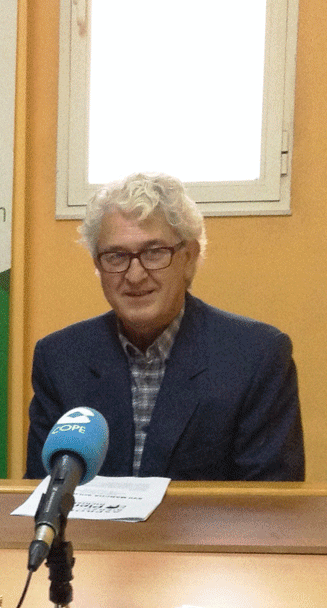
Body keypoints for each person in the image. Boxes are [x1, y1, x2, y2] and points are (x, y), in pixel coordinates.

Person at [26, 172, 304, 481]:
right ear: (97, 265)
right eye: (116, 256)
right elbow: (43, 491)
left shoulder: (256, 357)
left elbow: (271, 504)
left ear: (189, 258)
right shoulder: (60, 359)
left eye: (154, 252)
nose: (134, 275)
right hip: (89, 531)